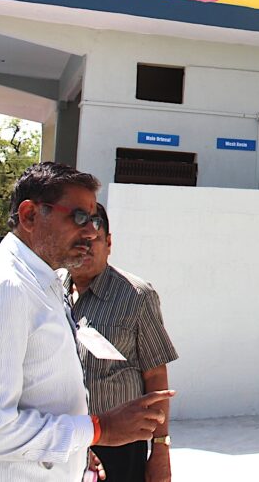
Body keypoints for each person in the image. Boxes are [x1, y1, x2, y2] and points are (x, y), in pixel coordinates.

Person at [0, 162, 174, 481]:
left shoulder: (40, 282)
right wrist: (97, 430)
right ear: (30, 215)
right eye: (78, 217)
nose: (90, 232)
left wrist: (75, 451)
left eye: (94, 220)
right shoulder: (5, 288)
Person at [65, 203, 178, 482]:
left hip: (120, 446)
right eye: (77, 242)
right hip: (64, 439)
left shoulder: (136, 295)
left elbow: (155, 375)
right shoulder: (51, 292)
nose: (84, 249)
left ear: (109, 243)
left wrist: (160, 449)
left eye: (93, 241)